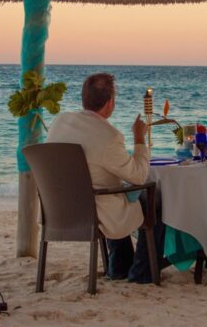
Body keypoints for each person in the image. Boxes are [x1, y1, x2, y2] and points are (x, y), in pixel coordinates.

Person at [46, 72, 163, 283]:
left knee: (110, 188)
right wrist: (139, 138)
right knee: (153, 200)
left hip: (59, 210)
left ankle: (119, 267)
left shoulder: (59, 122)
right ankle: (141, 273)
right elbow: (138, 175)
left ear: (84, 98)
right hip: (96, 212)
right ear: (110, 103)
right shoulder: (109, 136)